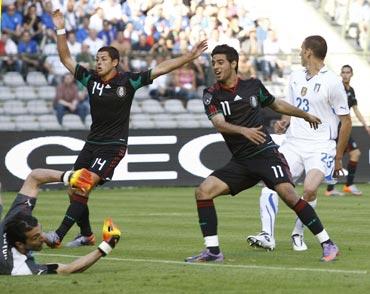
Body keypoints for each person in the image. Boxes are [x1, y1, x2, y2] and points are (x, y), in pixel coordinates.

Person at [43, 10, 208, 248]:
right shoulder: (90, 80)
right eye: (96, 59)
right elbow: (66, 58)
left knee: (83, 184)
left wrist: (188, 57)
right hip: (92, 143)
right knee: (74, 189)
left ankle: (57, 235)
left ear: (115, 62)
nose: (97, 62)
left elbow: (162, 68)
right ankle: (87, 235)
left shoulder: (128, 81)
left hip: (113, 146)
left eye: (102, 59)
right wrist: (60, 29)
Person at [184, 44, 340, 264]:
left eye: (220, 62)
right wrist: (243, 131)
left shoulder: (253, 86)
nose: (216, 67)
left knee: (288, 195)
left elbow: (276, 104)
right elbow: (219, 123)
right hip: (241, 161)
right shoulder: (211, 94)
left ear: (233, 63)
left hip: (266, 154)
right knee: (203, 192)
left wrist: (304, 115)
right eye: (213, 63)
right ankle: (213, 251)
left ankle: (328, 243)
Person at [247, 36, 352, 252]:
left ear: (309, 52)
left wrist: (339, 156)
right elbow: (292, 107)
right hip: (294, 143)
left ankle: (298, 232)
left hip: (321, 145)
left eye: (301, 49)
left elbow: (346, 121)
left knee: (310, 189)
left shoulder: (332, 82)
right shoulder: (295, 76)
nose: (299, 53)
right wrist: (283, 122)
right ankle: (267, 235)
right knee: (271, 184)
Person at [0, 168, 121, 275]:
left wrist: (68, 176)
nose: (43, 238)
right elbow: (68, 269)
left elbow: (34, 177)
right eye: (36, 237)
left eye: (41, 232)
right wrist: (108, 245)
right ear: (19, 244)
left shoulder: (16, 217)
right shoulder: (16, 268)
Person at [325, 65, 370, 196]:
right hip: (337, 128)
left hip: (345, 128)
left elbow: (355, 109)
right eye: (343, 72)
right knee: (343, 155)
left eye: (348, 72)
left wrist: (365, 125)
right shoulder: (337, 89)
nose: (345, 75)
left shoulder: (351, 90)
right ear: (340, 74)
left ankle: (342, 186)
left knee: (353, 154)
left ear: (352, 74)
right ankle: (335, 187)